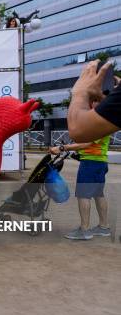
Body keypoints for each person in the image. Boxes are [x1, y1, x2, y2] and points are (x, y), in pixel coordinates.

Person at [50, 97, 110, 240]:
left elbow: (86, 144)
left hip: (91, 164)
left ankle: (84, 230)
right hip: (100, 162)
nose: (91, 103)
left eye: (95, 101)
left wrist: (62, 148)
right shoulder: (106, 119)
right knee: (98, 194)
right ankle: (104, 227)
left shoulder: (100, 121)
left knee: (83, 195)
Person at [67, 60, 120, 142]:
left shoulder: (100, 122)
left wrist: (79, 92)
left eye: (95, 100)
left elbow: (77, 129)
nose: (93, 103)